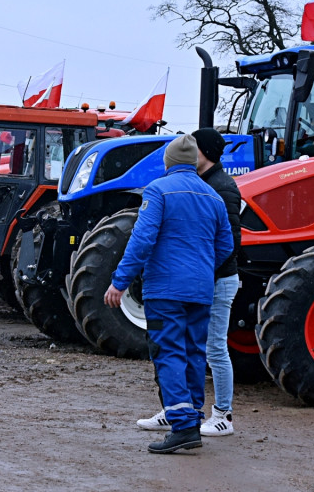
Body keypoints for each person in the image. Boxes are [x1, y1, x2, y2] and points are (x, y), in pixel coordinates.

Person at [105, 134, 233, 454]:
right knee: (193, 353)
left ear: (168, 162)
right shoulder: (214, 197)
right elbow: (225, 246)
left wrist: (120, 281)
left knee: (168, 352)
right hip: (201, 291)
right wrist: (201, 271)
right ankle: (193, 417)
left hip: (165, 289)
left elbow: (142, 239)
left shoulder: (158, 190)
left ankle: (183, 425)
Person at [136, 129, 241, 437]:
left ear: (203, 153)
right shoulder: (204, 184)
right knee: (185, 348)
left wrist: (200, 272)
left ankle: (223, 415)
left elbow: (230, 242)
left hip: (217, 280)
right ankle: (176, 409)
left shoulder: (222, 187)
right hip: (202, 279)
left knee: (214, 347)